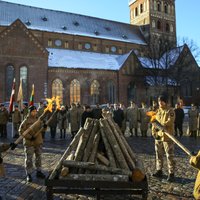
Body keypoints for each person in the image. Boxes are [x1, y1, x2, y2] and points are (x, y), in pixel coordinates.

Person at [151, 94, 176, 182]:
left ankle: (171, 173)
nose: (160, 103)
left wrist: (161, 125)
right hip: (158, 137)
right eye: (159, 101)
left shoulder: (170, 111)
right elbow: (153, 122)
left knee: (169, 156)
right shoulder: (157, 111)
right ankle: (159, 170)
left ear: (165, 102)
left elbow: (170, 121)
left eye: (162, 101)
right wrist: (153, 132)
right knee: (158, 154)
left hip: (167, 137)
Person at [18, 105, 46, 182]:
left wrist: (45, 126)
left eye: (35, 111)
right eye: (33, 111)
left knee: (38, 157)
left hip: (38, 142)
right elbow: (21, 131)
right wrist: (29, 137)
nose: (34, 113)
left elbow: (42, 129)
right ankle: (29, 174)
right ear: (30, 112)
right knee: (29, 159)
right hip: (29, 143)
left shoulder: (38, 120)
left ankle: (39, 171)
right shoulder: (26, 121)